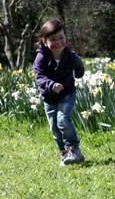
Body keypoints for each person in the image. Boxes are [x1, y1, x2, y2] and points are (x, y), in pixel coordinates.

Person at [33, 18, 85, 166]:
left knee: (63, 119)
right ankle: (64, 153)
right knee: (54, 127)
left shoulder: (70, 56)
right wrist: (51, 84)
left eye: (61, 38)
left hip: (67, 93)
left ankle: (74, 150)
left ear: (66, 38)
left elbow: (79, 65)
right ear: (44, 41)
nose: (58, 42)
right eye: (53, 39)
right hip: (49, 97)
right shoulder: (41, 57)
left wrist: (79, 73)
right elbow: (39, 77)